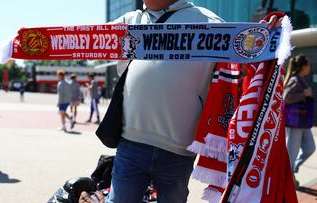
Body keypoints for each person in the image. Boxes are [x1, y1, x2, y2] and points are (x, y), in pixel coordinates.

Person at [81, 1, 283, 202]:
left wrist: (271, 30)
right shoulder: (131, 20)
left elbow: (249, 59)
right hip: (130, 143)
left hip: (178, 151)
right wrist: (49, 41)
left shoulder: (210, 22)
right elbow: (82, 39)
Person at [284, 54, 316, 186]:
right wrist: (305, 94)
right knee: (292, 153)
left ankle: (292, 170)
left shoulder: (301, 79)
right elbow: (285, 97)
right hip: (294, 122)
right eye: (308, 65)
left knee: (310, 148)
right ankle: (288, 180)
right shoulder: (295, 80)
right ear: (303, 67)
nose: (309, 67)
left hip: (302, 122)